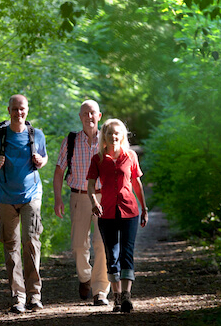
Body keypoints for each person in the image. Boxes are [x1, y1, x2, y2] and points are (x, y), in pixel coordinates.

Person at [0, 94, 48, 314]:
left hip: (31, 196)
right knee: (11, 246)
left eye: (22, 109)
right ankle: (18, 297)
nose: (19, 113)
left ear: (27, 110)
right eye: (15, 109)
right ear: (8, 110)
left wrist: (40, 161)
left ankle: (35, 295)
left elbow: (44, 158)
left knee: (31, 242)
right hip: (6, 197)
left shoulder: (37, 135)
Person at [86, 118, 148, 313]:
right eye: (110, 133)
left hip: (129, 210)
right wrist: (94, 202)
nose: (114, 136)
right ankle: (117, 296)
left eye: (117, 133)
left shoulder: (130, 156)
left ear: (122, 136)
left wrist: (144, 208)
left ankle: (127, 295)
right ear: (104, 136)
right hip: (106, 212)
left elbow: (137, 184)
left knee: (126, 253)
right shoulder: (97, 159)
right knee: (111, 256)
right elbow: (90, 185)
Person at [53, 100, 111, 306]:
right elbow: (59, 171)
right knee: (79, 245)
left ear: (99, 116)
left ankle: (101, 291)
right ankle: (85, 277)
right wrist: (58, 198)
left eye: (92, 113)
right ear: (80, 117)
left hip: (103, 197)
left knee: (102, 243)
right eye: (85, 113)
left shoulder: (107, 141)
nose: (89, 117)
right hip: (78, 196)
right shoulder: (70, 141)